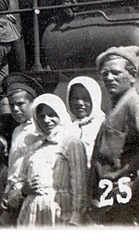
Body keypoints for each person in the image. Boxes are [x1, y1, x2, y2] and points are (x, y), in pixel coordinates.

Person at [89, 46, 139, 225]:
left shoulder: (136, 103)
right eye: (105, 74)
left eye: (116, 72)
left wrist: (138, 182)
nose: (109, 78)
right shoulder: (119, 104)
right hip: (116, 201)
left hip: (133, 203)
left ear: (132, 75)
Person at [13, 94, 88, 227]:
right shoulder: (33, 146)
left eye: (52, 115)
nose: (46, 120)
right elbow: (20, 179)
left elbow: (79, 186)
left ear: (61, 115)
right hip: (33, 211)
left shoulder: (71, 143)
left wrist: (76, 218)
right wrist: (24, 189)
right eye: (41, 116)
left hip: (60, 211)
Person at [0, 74, 43, 225]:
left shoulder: (39, 130)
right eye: (11, 105)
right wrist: (7, 193)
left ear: (33, 103)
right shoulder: (17, 130)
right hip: (14, 193)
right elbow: (14, 166)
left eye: (20, 104)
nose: (15, 109)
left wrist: (19, 191)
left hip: (27, 192)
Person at [65, 76, 106, 166]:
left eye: (85, 98)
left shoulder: (103, 126)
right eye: (75, 98)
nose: (79, 103)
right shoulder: (64, 126)